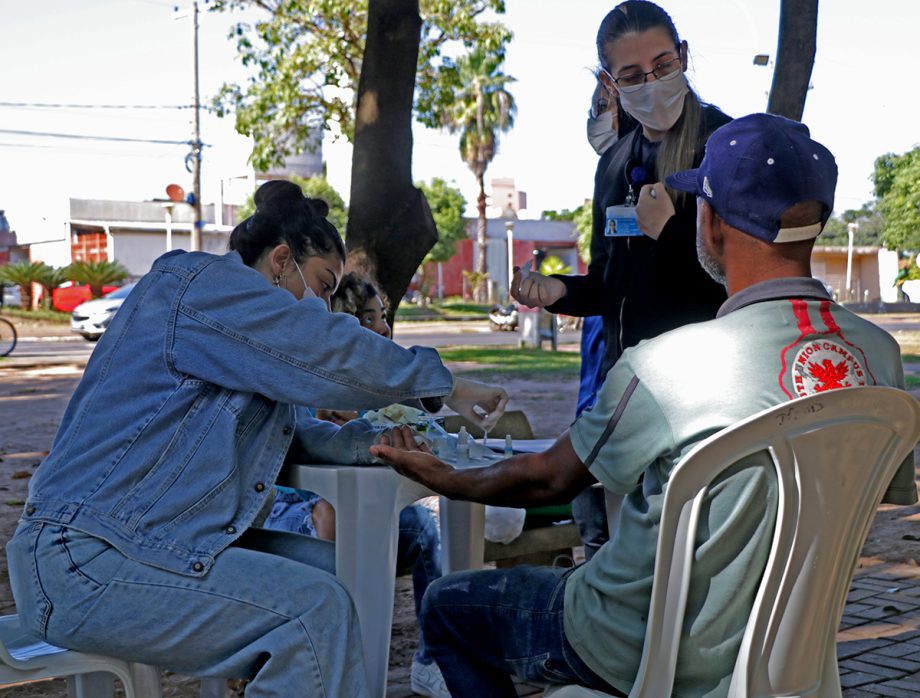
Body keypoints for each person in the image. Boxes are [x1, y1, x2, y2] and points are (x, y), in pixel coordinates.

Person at [370, 114, 919, 696]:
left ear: (708, 222)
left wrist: (449, 479)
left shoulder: (666, 367)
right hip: (789, 652)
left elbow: (548, 481)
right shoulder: (879, 359)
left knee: (446, 606)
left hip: (630, 642)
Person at [5, 180, 507, 696]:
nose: (326, 306)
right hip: (84, 558)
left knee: (353, 578)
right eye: (324, 286)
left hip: (155, 544)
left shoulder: (245, 352)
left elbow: (299, 437)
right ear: (282, 260)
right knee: (313, 612)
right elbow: (327, 348)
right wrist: (447, 385)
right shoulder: (193, 284)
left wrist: (374, 444)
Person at [515, 0, 731, 562]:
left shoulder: (728, 146)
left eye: (663, 66)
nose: (653, 84)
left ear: (683, 57)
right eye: (633, 76)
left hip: (708, 396)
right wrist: (559, 291)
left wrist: (675, 234)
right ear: (613, 83)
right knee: (627, 558)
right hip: (630, 391)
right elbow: (611, 284)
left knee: (696, 558)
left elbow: (739, 279)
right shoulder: (615, 164)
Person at [265, 271, 449, 697]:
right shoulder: (286, 360)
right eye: (370, 319)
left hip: (350, 507)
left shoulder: (363, 384)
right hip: (287, 511)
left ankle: (430, 658)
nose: (383, 328)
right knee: (331, 516)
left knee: (422, 527)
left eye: (382, 317)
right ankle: (333, 669)